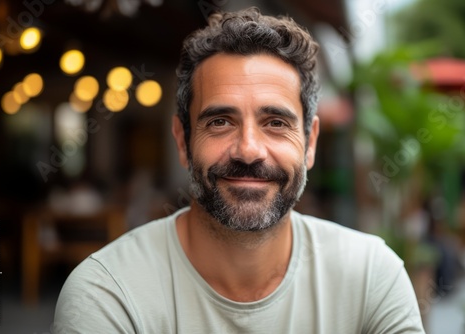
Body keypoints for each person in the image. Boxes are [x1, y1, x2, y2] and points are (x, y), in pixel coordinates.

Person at [54, 7, 425, 333]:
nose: (248, 149)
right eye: (219, 121)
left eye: (276, 123)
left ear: (310, 143)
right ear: (183, 141)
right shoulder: (107, 293)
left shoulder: (372, 276)